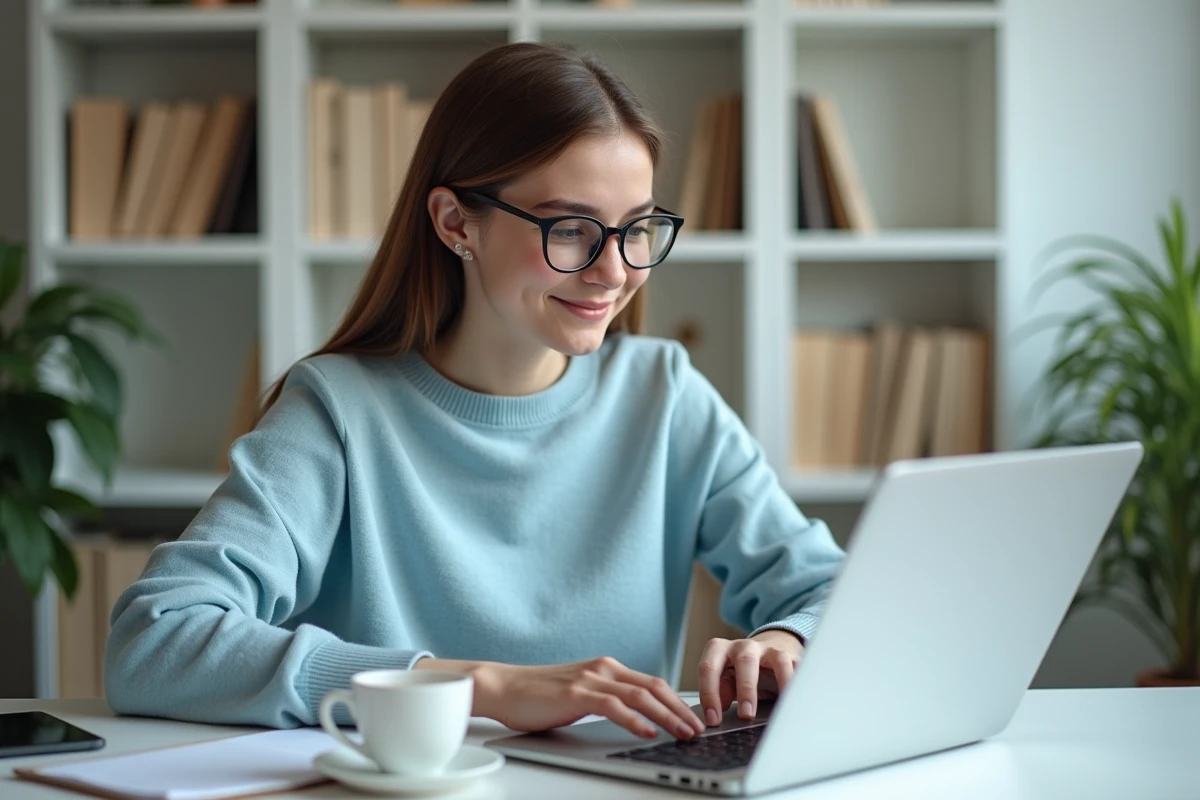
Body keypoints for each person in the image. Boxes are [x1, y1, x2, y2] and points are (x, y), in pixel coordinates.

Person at [105, 42, 845, 743]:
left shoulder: (665, 393)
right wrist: (476, 687)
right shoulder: (337, 410)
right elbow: (154, 639)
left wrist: (787, 638)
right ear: (456, 223)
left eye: (637, 229)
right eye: (571, 229)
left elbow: (833, 589)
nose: (614, 272)